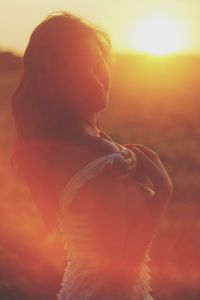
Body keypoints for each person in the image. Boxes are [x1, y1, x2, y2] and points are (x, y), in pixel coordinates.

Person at [10, 10, 173, 300]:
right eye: (77, 70)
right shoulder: (97, 158)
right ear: (55, 82)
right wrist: (162, 191)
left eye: (98, 63)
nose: (95, 78)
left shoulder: (72, 145)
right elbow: (117, 275)